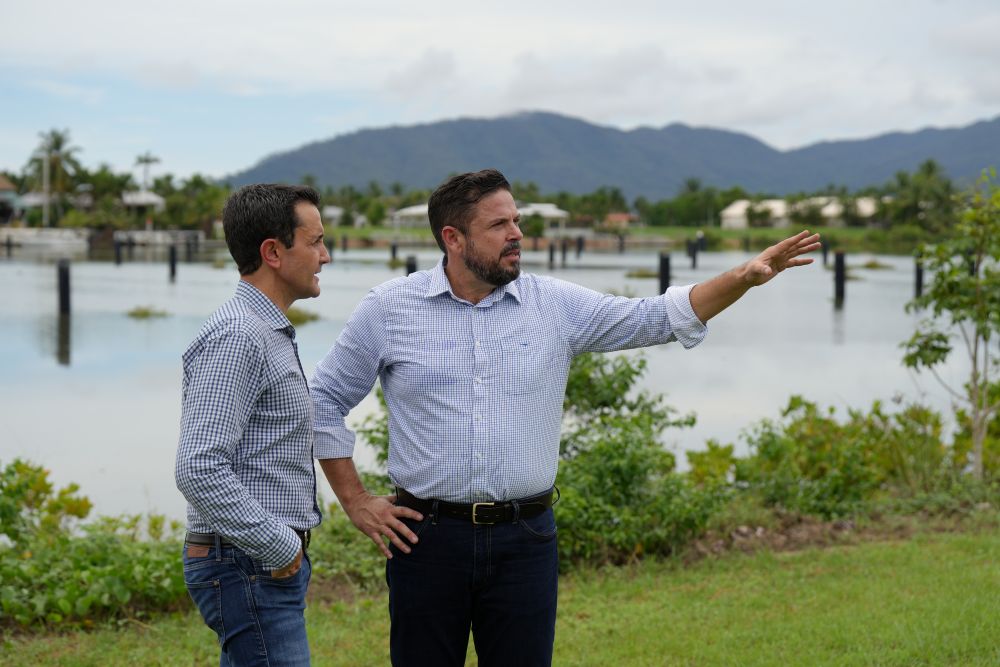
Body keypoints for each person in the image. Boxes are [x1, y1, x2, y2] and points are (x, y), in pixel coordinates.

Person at [311, 169, 820, 666]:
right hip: (427, 540)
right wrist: (354, 501)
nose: (517, 235)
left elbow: (657, 316)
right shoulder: (389, 309)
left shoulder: (554, 305)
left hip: (525, 541)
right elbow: (325, 398)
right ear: (453, 237)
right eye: (499, 225)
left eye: (517, 221)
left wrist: (743, 278)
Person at [175, 183, 331, 666]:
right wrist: (280, 546)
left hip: (256, 563)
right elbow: (198, 467)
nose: (325, 256)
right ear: (273, 253)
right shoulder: (240, 335)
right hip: (246, 563)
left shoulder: (266, 330)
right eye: (315, 241)